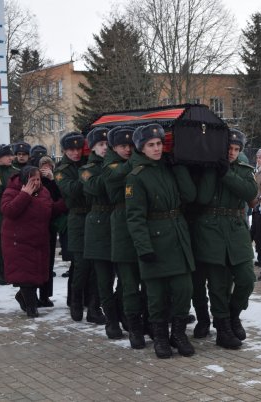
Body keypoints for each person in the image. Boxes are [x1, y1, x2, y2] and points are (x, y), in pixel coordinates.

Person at [126, 123, 196, 359]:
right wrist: (143, 248)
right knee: (156, 295)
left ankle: (178, 334)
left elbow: (189, 196)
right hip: (155, 239)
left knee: (183, 289)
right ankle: (160, 337)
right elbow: (135, 218)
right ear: (141, 148)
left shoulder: (169, 168)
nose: (157, 148)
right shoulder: (136, 177)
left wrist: (179, 169)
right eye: (151, 145)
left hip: (177, 236)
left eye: (159, 144)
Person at [190, 128, 257, 349]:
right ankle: (223, 328)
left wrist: (226, 173)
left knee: (246, 279)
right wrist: (212, 171)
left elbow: (249, 192)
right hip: (211, 230)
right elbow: (203, 197)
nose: (232, 153)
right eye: (229, 148)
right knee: (217, 284)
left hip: (236, 230)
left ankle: (233, 314)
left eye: (237, 149)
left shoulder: (244, 170)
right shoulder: (208, 168)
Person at [102, 126, 147, 349]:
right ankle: (133, 325)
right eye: (123, 146)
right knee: (129, 284)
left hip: (143, 223)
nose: (128, 150)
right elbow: (116, 175)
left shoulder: (135, 161)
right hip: (122, 225)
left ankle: (146, 321)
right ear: (113, 147)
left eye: (131, 145)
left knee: (147, 280)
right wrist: (139, 158)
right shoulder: (109, 165)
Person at [1, 166, 66, 318]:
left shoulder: (44, 192)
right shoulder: (12, 191)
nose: (36, 183)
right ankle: (31, 308)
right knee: (26, 277)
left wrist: (64, 203)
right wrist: (25, 195)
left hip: (38, 240)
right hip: (18, 241)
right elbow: (9, 210)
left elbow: (50, 210)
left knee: (36, 275)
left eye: (38, 179)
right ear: (24, 180)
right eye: (32, 180)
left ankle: (22, 297)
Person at [55, 131, 104, 324]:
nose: (75, 153)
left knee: (96, 266)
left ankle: (93, 307)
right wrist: (87, 178)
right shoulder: (62, 170)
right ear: (65, 151)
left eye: (78, 148)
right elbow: (72, 190)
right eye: (70, 149)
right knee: (81, 265)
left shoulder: (88, 163)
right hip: (77, 217)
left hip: (94, 215)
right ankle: (75, 301)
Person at [80, 127, 123, 339]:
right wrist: (111, 170)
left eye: (107, 144)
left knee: (126, 278)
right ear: (93, 147)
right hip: (98, 225)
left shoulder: (119, 164)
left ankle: (122, 312)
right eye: (101, 145)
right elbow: (97, 187)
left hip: (119, 222)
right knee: (104, 279)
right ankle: (111, 321)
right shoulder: (87, 169)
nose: (105, 148)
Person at [38, 155, 64, 307]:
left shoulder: (55, 181)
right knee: (38, 262)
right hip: (38, 225)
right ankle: (36, 295)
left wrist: (53, 179)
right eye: (43, 165)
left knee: (49, 263)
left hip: (51, 225)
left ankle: (45, 296)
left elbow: (60, 196)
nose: (46, 168)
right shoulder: (36, 180)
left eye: (48, 165)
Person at [0, 144, 18, 285]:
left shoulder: (16, 171)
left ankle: (9, 273)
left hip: (12, 214)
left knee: (11, 247)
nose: (12, 157)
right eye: (7, 155)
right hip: (0, 215)